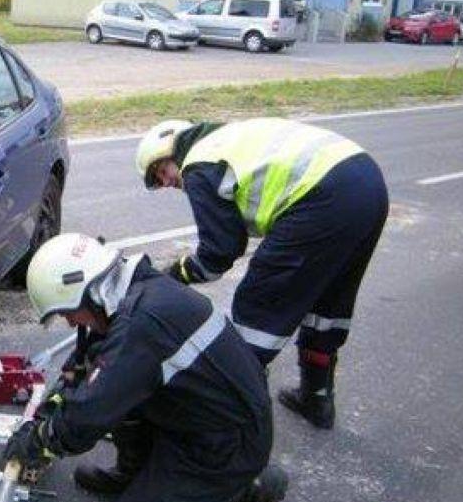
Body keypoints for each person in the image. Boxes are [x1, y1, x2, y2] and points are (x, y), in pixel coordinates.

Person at [4, 234, 287, 502]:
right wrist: (55, 401)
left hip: (226, 447)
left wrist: (40, 439)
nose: (69, 321)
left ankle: (248, 489)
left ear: (88, 292)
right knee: (122, 394)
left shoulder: (142, 325)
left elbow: (89, 415)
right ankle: (136, 474)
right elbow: (91, 363)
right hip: (197, 418)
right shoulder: (135, 290)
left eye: (68, 312)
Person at [134, 119, 389, 430]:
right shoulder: (228, 137)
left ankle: (235, 422)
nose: (166, 182)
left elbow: (219, 253)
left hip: (320, 198)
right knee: (329, 302)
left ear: (172, 149)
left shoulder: (199, 165)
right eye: (158, 181)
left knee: (257, 309)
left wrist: (177, 274)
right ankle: (317, 399)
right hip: (367, 184)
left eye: (161, 171)